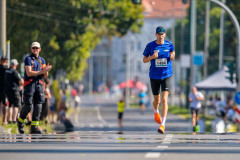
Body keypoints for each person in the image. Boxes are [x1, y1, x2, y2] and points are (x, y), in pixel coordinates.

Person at [142, 26, 175, 134]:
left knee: (165, 99)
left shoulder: (169, 44)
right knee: (157, 100)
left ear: (164, 35)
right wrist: (152, 57)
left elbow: (173, 54)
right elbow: (144, 60)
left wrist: (173, 56)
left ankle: (163, 125)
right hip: (154, 76)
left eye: (162, 34)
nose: (160, 36)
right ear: (156, 35)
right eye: (159, 34)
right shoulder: (150, 45)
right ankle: (155, 111)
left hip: (167, 75)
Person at [17, 42, 52, 134]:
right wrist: (41, 71)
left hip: (39, 84)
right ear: (31, 49)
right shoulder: (28, 59)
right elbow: (29, 72)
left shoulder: (42, 60)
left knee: (38, 105)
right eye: (33, 48)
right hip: (30, 84)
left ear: (40, 49)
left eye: (37, 48)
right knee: (28, 105)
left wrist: (46, 71)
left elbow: (45, 75)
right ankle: (20, 121)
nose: (35, 49)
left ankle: (34, 127)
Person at [4, 59, 24, 124]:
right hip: (15, 90)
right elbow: (21, 81)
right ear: (16, 65)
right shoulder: (15, 72)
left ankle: (9, 120)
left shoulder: (6, 71)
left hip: (8, 90)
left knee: (10, 105)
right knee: (16, 105)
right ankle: (14, 120)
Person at [0, 56, 9, 125]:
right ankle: (4, 120)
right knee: (5, 105)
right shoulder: (7, 69)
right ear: (7, 61)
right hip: (4, 89)